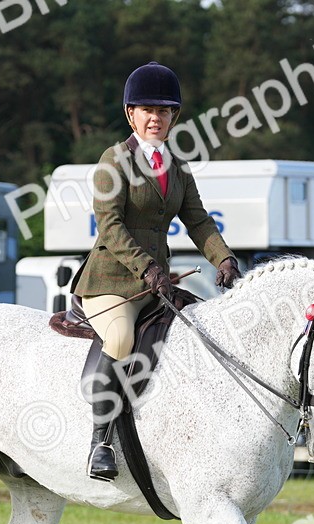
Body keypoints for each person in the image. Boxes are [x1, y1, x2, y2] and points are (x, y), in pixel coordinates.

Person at [72, 62, 240, 482]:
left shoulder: (177, 166)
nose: (155, 118)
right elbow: (109, 226)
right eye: (146, 110)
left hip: (157, 282)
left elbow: (198, 220)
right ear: (131, 114)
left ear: (174, 117)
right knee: (122, 336)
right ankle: (100, 442)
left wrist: (224, 258)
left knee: (199, 335)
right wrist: (147, 267)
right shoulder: (113, 161)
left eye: (163, 111)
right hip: (111, 280)